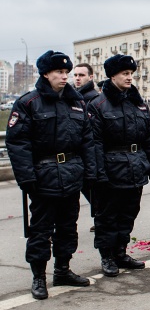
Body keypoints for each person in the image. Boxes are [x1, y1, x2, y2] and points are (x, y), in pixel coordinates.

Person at [6, 50, 96, 300]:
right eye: (59, 72)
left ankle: (63, 270)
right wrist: (27, 178)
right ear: (46, 74)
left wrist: (90, 172)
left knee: (68, 227)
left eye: (67, 72)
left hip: (72, 174)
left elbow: (87, 140)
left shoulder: (76, 101)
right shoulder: (28, 102)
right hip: (43, 176)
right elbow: (18, 143)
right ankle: (38, 277)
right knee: (40, 230)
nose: (64, 77)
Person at [87, 54, 150, 276]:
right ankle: (107, 256)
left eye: (131, 74)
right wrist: (99, 173)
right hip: (111, 169)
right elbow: (95, 143)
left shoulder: (137, 103)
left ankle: (121, 252)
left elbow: (149, 137)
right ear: (112, 76)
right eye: (125, 74)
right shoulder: (98, 105)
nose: (129, 78)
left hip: (135, 166)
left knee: (129, 213)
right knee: (107, 216)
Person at [72, 62, 99, 232]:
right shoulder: (72, 96)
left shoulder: (92, 98)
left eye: (81, 75)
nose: (77, 78)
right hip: (77, 153)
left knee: (91, 189)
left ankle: (101, 217)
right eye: (75, 75)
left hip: (89, 152)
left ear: (90, 77)